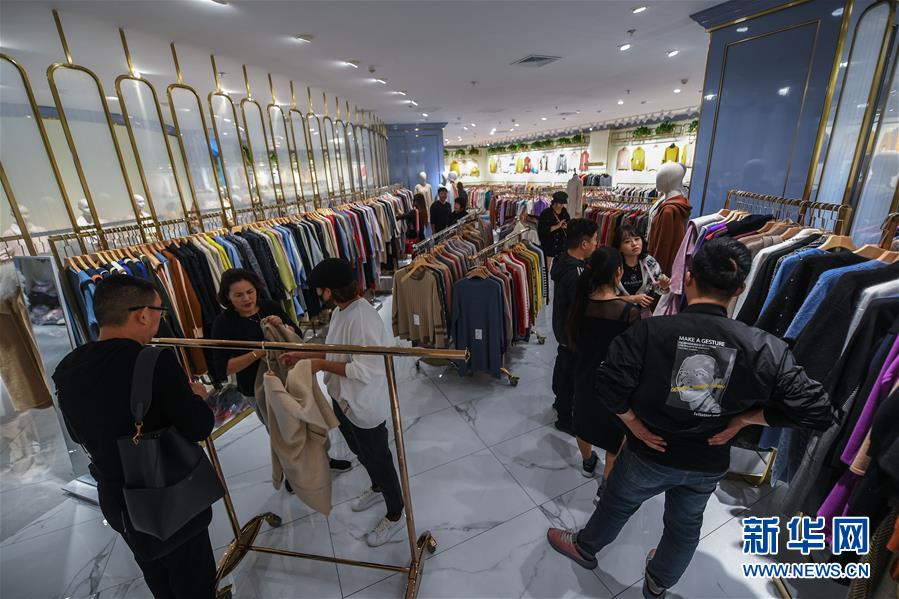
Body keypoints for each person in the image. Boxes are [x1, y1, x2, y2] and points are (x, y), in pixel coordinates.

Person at [546, 238, 836, 599]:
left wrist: (634, 424)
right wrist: (745, 420)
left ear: (689, 278)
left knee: (616, 505)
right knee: (684, 526)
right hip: (708, 458)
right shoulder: (764, 347)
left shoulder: (650, 331)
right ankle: (659, 581)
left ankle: (585, 547)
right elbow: (817, 409)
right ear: (740, 289)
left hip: (649, 452)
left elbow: (606, 383)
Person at [53, 275, 217, 599]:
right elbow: (198, 427)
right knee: (193, 578)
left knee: (157, 574)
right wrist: (197, 397)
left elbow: (77, 432)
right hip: (167, 492)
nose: (159, 319)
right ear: (143, 314)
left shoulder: (67, 368)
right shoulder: (153, 360)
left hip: (116, 495)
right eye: (159, 311)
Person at [279, 258, 405, 547]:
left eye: (320, 289)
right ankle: (376, 487)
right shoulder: (341, 310)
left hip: (364, 404)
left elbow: (365, 369)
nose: (318, 294)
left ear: (330, 290)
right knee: (360, 451)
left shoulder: (362, 318)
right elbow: (335, 349)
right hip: (344, 399)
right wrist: (304, 355)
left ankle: (396, 513)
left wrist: (320, 364)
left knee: (379, 458)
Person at [211, 268, 351, 473]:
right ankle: (295, 475)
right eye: (238, 295)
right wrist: (259, 352)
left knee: (310, 419)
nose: (247, 299)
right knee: (282, 432)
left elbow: (296, 335)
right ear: (227, 296)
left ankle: (324, 460)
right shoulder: (223, 323)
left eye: (250, 292)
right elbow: (224, 368)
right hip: (259, 388)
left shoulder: (269, 306)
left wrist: (284, 327)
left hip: (291, 377)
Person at [567, 247, 640, 493]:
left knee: (582, 422)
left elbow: (574, 340)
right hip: (613, 382)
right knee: (613, 437)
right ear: (618, 273)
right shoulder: (629, 313)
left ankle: (588, 462)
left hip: (584, 376)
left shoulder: (581, 304)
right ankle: (606, 485)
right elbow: (632, 356)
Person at [549, 218, 598, 435]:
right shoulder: (577, 273)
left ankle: (560, 401)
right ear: (584, 244)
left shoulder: (562, 260)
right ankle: (564, 418)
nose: (596, 243)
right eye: (594, 240)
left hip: (562, 329)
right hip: (573, 333)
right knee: (571, 374)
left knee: (564, 366)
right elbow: (583, 308)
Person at [612, 224, 670, 311]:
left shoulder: (649, 261)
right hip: (617, 313)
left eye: (637, 239)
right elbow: (606, 298)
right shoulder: (613, 265)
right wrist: (632, 299)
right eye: (627, 241)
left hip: (643, 314)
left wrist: (664, 286)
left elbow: (659, 290)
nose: (634, 244)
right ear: (619, 247)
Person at [537, 191, 572, 272]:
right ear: (555, 202)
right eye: (560, 203)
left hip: (561, 247)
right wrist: (557, 226)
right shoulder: (546, 213)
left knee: (559, 271)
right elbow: (541, 231)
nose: (562, 205)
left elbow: (569, 229)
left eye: (563, 204)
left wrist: (566, 227)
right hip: (549, 246)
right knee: (546, 270)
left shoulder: (565, 214)